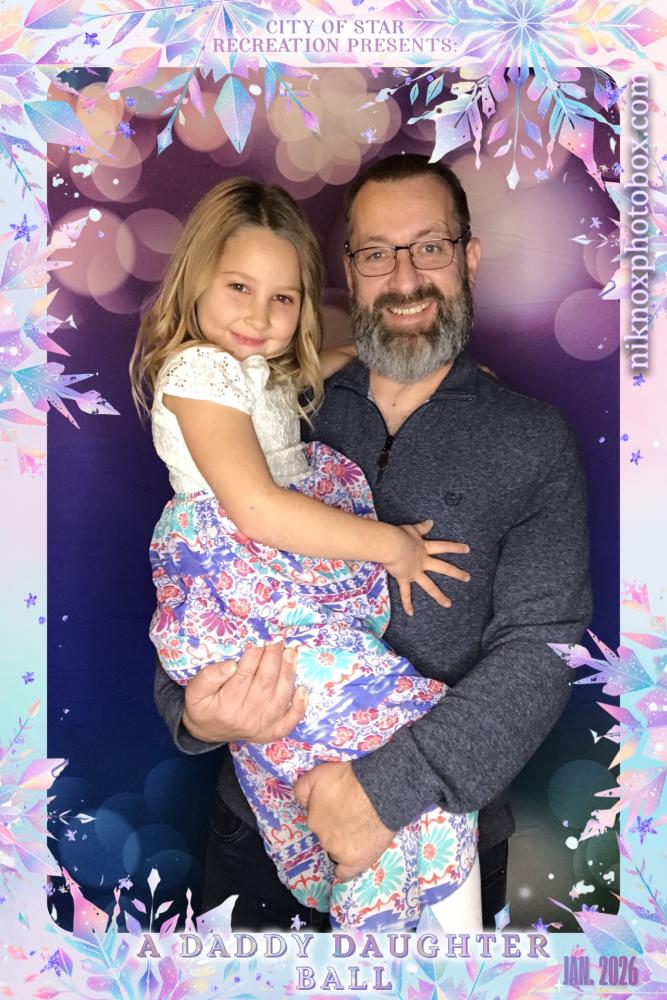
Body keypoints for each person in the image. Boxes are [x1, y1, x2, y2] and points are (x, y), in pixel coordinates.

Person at [154, 154, 592, 931]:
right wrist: (194, 716)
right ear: (348, 272)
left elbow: (543, 647)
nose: (405, 277)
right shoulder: (289, 401)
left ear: (468, 257)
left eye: (429, 246)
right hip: (257, 829)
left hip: (438, 820)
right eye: (376, 254)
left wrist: (387, 789)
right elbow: (209, 582)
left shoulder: (529, 438)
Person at [131, 176, 480, 931]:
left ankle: (364, 881)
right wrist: (391, 546)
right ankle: (370, 906)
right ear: (195, 282)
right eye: (238, 288)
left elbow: (291, 379)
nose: (259, 316)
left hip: (272, 580)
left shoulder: (247, 367)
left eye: (283, 298)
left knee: (334, 752)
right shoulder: (199, 372)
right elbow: (256, 508)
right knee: (399, 729)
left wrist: (374, 356)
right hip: (245, 573)